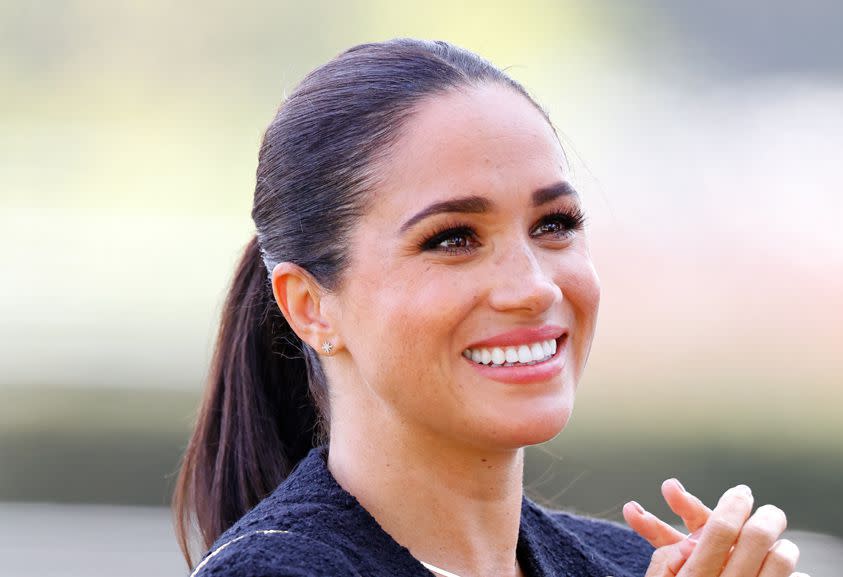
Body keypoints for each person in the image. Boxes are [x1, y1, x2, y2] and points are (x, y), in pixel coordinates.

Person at [172, 38, 806, 577]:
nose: (532, 287)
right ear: (310, 306)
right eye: (453, 239)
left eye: (554, 224)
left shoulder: (633, 565)